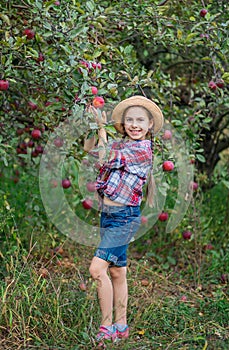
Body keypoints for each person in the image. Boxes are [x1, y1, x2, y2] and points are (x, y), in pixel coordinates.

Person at [84, 95, 164, 347]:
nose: (134, 124)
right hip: (109, 215)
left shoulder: (143, 150)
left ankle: (106, 327)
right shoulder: (121, 144)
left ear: (150, 124)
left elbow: (107, 158)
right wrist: (93, 124)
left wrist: (101, 128)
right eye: (129, 120)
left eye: (140, 120)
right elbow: (92, 150)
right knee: (117, 272)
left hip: (124, 219)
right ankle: (122, 325)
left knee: (97, 270)